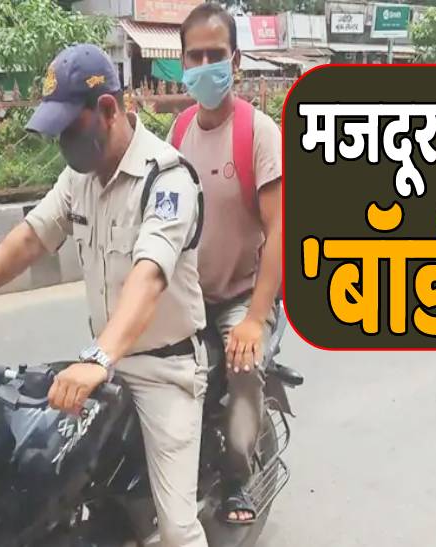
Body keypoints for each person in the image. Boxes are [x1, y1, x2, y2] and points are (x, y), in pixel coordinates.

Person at [0, 44, 209, 547]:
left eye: (70, 129)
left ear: (108, 110)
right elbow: (31, 237)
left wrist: (98, 357)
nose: (62, 142)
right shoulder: (80, 177)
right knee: (31, 472)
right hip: (103, 364)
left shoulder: (167, 179)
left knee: (178, 529)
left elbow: (149, 277)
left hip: (163, 370)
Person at [170, 3, 283, 525]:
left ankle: (238, 479)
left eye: (216, 54)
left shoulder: (257, 133)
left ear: (234, 60)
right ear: (182, 62)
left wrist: (256, 319)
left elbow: (279, 229)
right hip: (188, 294)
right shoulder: (178, 132)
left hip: (240, 295)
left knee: (242, 368)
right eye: (195, 56)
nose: (205, 65)